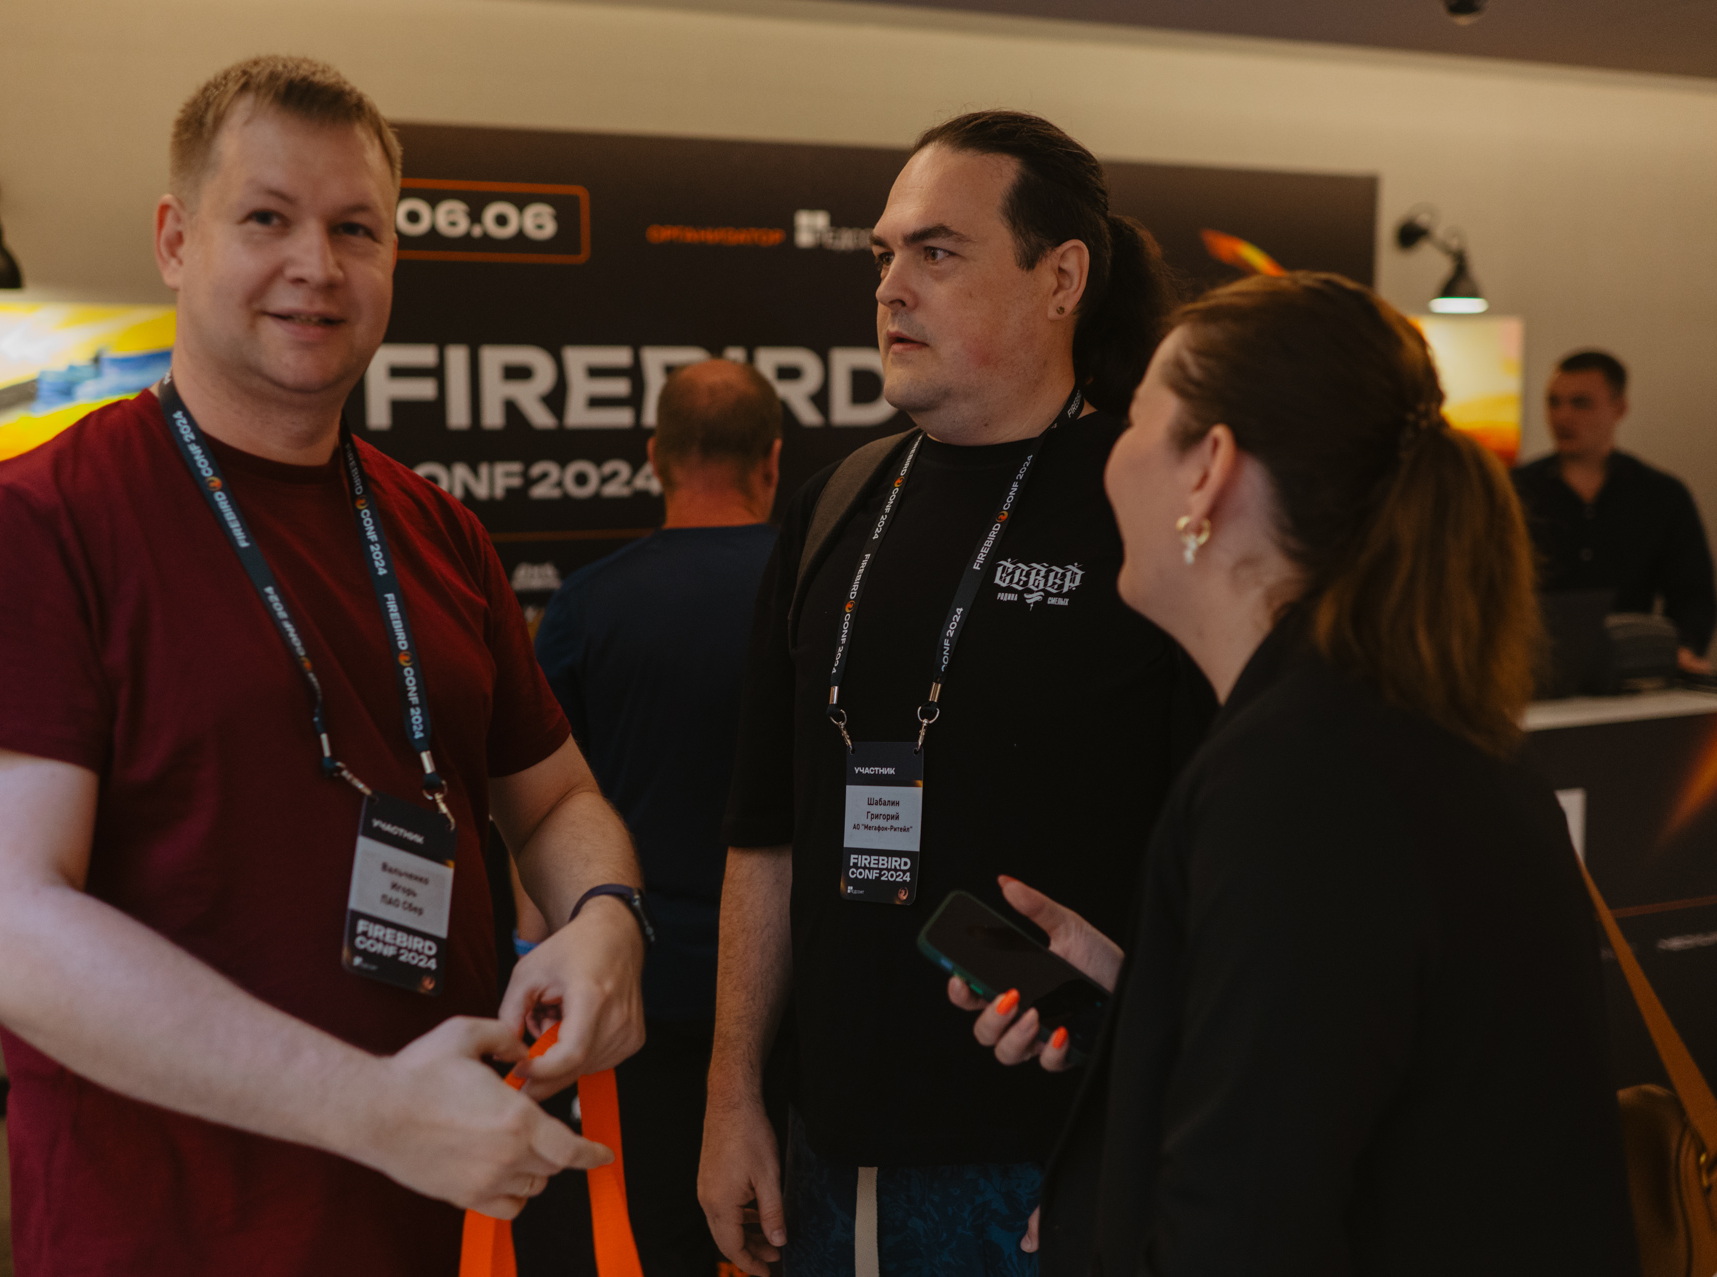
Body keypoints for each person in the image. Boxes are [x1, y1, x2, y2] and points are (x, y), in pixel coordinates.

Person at [0, 56, 650, 1277]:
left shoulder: (439, 532)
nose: (317, 265)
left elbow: (556, 800)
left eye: (356, 229)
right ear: (176, 240)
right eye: (267, 219)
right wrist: (372, 1108)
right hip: (174, 1237)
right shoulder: (35, 520)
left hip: (455, 1221)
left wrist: (607, 917)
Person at [956, 273, 1637, 1274]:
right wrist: (1147, 994)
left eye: (1136, 422)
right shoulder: (1389, 730)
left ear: (1209, 469)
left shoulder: (1303, 779)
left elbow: (1244, 1225)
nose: (1112, 457)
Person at [702, 109, 1210, 1277]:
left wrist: (1141, 1136)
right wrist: (733, 1096)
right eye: (885, 254)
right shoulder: (836, 502)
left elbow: (1239, 858)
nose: (892, 287)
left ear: (1060, 278)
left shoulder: (1154, 507)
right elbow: (765, 833)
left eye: (937, 252)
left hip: (1050, 1165)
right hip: (826, 1157)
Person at [532, 359, 784, 1275]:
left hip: (648, 983)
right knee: (795, 1231)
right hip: (792, 986)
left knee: (662, 1240)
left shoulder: (586, 604)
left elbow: (538, 805)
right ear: (773, 460)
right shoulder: (821, 591)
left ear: (654, 456)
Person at [1512, 349, 1716, 673]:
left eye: (1580, 403)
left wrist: (1681, 650)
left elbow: (1693, 595)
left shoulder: (1660, 495)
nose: (1562, 416)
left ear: (1619, 408)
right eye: (1554, 402)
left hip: (1631, 668)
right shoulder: (1515, 491)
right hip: (1533, 668)